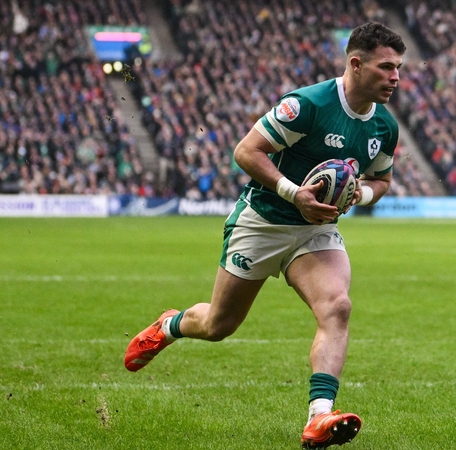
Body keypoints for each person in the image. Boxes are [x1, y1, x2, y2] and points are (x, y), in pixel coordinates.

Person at [124, 22, 405, 449]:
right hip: (263, 220)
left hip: (316, 231)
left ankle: (319, 417)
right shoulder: (307, 105)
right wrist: (296, 194)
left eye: (398, 68)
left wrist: (358, 193)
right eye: (386, 67)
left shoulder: (384, 126)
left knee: (338, 307)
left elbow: (381, 180)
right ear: (356, 63)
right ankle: (170, 325)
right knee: (220, 324)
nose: (395, 77)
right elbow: (245, 151)